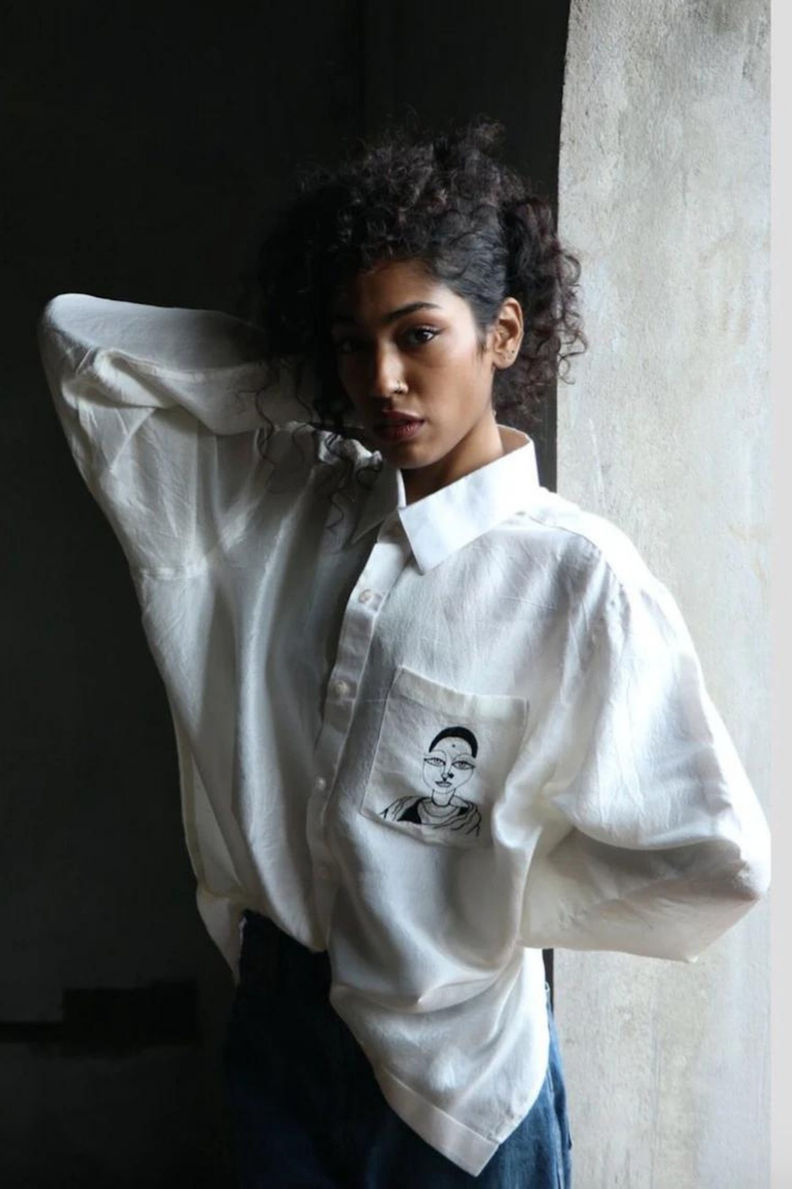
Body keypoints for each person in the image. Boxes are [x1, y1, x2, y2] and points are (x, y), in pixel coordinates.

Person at [38, 119, 770, 1187]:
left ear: (503, 333)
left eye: (418, 334)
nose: (383, 377)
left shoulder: (575, 578)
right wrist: (315, 381)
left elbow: (715, 854)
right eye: (352, 341)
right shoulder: (285, 506)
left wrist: (485, 896)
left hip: (459, 1087)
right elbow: (83, 344)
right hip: (279, 1039)